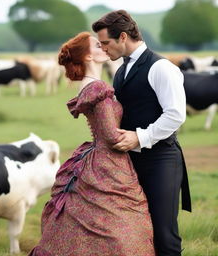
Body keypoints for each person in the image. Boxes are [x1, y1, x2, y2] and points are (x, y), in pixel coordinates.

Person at [28, 32, 155, 256]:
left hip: (98, 156)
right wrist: (144, 138)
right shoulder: (97, 89)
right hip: (108, 162)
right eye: (98, 45)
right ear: (88, 57)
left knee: (100, 225)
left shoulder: (92, 85)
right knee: (124, 227)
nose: (104, 47)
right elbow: (111, 136)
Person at [92, 10, 192, 256]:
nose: (102, 48)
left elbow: (176, 115)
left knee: (163, 234)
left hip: (160, 160)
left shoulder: (161, 68)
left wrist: (139, 137)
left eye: (105, 42)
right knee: (134, 230)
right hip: (127, 162)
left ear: (123, 36)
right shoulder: (120, 70)